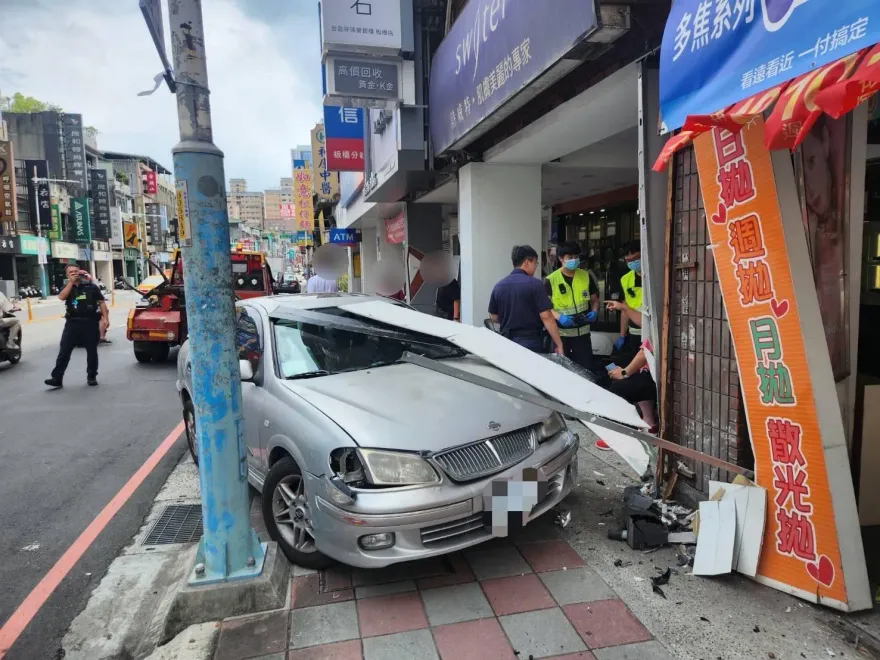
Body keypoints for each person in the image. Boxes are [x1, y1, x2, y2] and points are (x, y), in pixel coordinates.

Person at [489, 245, 564, 355]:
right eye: (535, 263)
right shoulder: (536, 285)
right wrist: (559, 344)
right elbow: (547, 317)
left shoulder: (499, 286)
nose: (535, 267)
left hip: (506, 341)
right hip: (530, 342)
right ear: (527, 262)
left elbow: (493, 317)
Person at [45, 264, 109, 388]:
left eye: (76, 271)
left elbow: (101, 302)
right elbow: (62, 297)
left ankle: (92, 376)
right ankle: (57, 377)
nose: (74, 274)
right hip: (72, 323)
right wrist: (70, 283)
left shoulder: (91, 287)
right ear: (67, 275)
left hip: (89, 323)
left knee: (92, 351)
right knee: (64, 351)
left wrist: (105, 318)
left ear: (80, 272)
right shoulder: (67, 287)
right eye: (71, 272)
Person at [545, 243, 599, 371]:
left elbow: (594, 300)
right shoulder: (551, 280)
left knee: (585, 371)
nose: (574, 260)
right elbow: (545, 308)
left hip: (583, 335)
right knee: (564, 372)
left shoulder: (585, 276)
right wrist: (559, 317)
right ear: (561, 259)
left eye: (576, 256)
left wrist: (595, 311)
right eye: (570, 257)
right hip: (562, 336)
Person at [607, 338, 658, 433]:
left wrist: (623, 373)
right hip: (651, 376)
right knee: (633, 379)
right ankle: (649, 423)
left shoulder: (653, 327)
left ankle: (619, 435)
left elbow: (644, 353)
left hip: (653, 379)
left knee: (616, 389)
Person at [605, 240, 644, 364]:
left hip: (650, 333)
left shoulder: (655, 277)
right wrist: (622, 335)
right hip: (634, 334)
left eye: (636, 258)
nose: (633, 262)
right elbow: (625, 309)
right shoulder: (626, 279)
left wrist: (623, 307)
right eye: (629, 260)